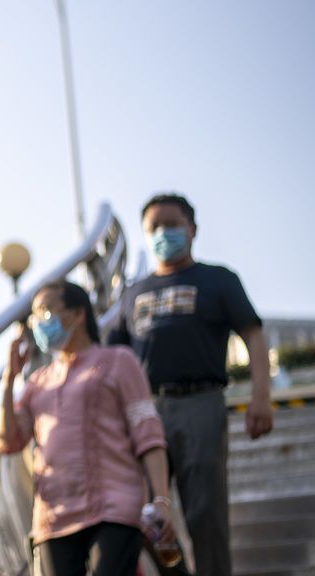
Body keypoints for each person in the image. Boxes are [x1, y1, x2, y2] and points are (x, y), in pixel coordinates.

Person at [107, 192, 273, 576]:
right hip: (146, 412)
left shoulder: (217, 280)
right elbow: (112, 360)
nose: (162, 233)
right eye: (153, 227)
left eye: (171, 224)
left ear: (192, 230)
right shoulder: (134, 293)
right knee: (149, 514)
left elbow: (253, 335)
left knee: (206, 514)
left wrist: (260, 398)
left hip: (201, 403)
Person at [0, 281, 176, 576]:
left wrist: (161, 500)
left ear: (78, 314)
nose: (39, 323)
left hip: (114, 508)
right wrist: (8, 379)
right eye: (35, 317)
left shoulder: (118, 361)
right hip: (53, 518)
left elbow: (148, 434)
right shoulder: (38, 382)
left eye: (45, 311)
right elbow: (8, 441)